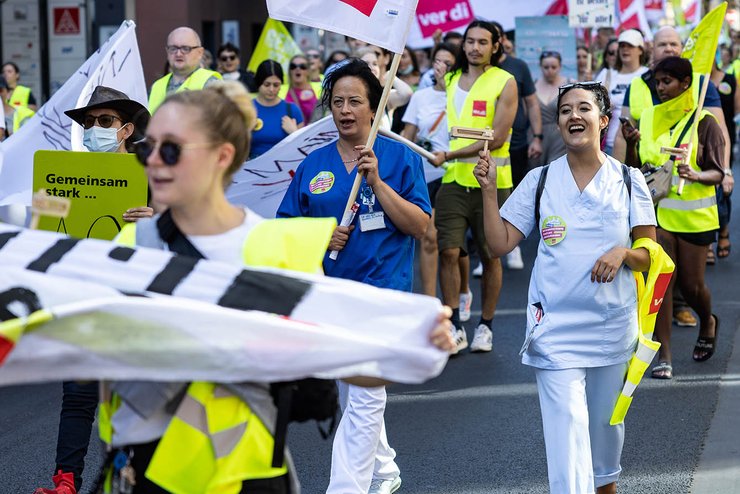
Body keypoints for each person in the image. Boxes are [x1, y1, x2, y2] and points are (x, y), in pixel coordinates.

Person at [95, 79, 455, 494]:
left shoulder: (277, 248)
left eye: (171, 150)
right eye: (147, 148)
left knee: (360, 404)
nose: (153, 162)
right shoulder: (131, 246)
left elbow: (348, 363)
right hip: (147, 471)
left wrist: (417, 346)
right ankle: (382, 468)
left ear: (221, 156)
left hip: (246, 473)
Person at [475, 81, 656, 494]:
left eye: (584, 108)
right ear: (558, 123)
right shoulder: (540, 180)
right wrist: (488, 192)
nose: (574, 115)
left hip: (611, 326)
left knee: (604, 429)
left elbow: (650, 253)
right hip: (553, 327)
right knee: (566, 430)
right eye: (565, 110)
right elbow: (500, 243)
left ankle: (605, 483)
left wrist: (623, 254)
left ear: (603, 120)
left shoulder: (628, 180)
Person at [277, 59, 433, 494]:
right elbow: (285, 230)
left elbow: (420, 226)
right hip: (332, 294)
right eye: (338, 102)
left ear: (373, 107)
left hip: (383, 292)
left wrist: (378, 183)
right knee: (352, 391)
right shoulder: (315, 164)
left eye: (355, 101)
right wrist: (323, 235)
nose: (345, 110)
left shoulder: (398, 157)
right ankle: (384, 470)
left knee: (365, 392)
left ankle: (345, 487)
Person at [33, 86, 151, 494]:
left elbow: (183, 229)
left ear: (126, 130)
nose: (94, 129)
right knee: (79, 396)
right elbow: (45, 236)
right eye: (88, 123)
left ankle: (130, 480)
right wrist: (43, 211)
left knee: (136, 400)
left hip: (132, 306)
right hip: (81, 300)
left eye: (105, 122)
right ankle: (66, 481)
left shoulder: (150, 177)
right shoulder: (61, 177)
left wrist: (155, 216)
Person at [614, 26, 732, 328]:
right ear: (652, 49)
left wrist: (722, 171)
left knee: (692, 284)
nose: (668, 48)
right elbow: (630, 144)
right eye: (662, 43)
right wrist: (622, 165)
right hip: (656, 204)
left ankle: (700, 315)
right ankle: (661, 351)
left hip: (694, 213)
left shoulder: (702, 89)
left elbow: (718, 134)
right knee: (661, 273)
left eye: (673, 43)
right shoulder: (640, 89)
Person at [623, 57, 724, 379]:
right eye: (657, 82)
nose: (661, 88)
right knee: (661, 284)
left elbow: (719, 173)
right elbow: (638, 167)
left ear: (685, 84)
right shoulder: (649, 117)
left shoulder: (705, 121)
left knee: (693, 287)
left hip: (696, 220)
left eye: (667, 81)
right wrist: (631, 143)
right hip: (658, 216)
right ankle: (663, 355)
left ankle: (707, 320)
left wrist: (695, 174)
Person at [428, 20, 518, 354]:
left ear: (496, 46)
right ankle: (455, 325)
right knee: (448, 251)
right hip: (452, 179)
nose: (474, 47)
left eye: (482, 42)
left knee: (492, 255)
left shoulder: (505, 82)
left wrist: (449, 152)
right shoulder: (449, 79)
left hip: (490, 182)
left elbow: (495, 138)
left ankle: (486, 325)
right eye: (469, 41)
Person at [401, 43, 472, 312]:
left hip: (456, 170)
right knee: (429, 237)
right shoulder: (421, 96)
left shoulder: (463, 96)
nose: (440, 67)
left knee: (453, 245)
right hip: (427, 171)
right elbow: (408, 134)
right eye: (437, 61)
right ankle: (430, 305)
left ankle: (463, 289)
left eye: (447, 63)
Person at [491, 21, 543, 271]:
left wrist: (537, 136)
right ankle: (491, 251)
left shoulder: (518, 66)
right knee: (489, 196)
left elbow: (532, 103)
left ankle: (514, 247)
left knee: (514, 195)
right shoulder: (478, 69)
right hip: (485, 145)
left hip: (517, 144)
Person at [595, 29, 649, 155]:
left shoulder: (647, 75)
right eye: (622, 46)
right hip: (605, 145)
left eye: (630, 46)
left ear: (640, 50)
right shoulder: (606, 74)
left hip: (637, 146)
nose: (625, 49)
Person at [147, 27, 222, 113]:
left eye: (186, 49)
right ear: (167, 52)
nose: (178, 54)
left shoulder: (212, 84)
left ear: (200, 52)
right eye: (173, 48)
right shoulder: (156, 87)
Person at [709, 52, 736, 262]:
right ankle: (707, 240)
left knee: (724, 188)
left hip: (725, 137)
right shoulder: (693, 82)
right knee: (707, 188)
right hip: (704, 139)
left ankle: (724, 231)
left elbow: (736, 109)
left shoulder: (729, 79)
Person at [250, 60, 303, 159]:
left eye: (276, 85)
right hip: (252, 168)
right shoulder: (246, 108)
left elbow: (303, 148)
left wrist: (294, 133)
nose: (271, 89)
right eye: (267, 84)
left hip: (283, 169)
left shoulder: (292, 110)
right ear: (258, 83)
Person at [531, 51, 569, 168]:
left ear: (560, 67)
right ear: (540, 67)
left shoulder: (569, 84)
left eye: (554, 67)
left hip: (560, 136)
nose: (550, 71)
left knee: (556, 170)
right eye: (546, 67)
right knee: (535, 171)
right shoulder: (533, 85)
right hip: (537, 135)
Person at [282, 54, 319, 123]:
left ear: (308, 71)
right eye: (293, 66)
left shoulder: (319, 89)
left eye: (302, 66)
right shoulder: (281, 90)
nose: (297, 69)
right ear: (290, 71)